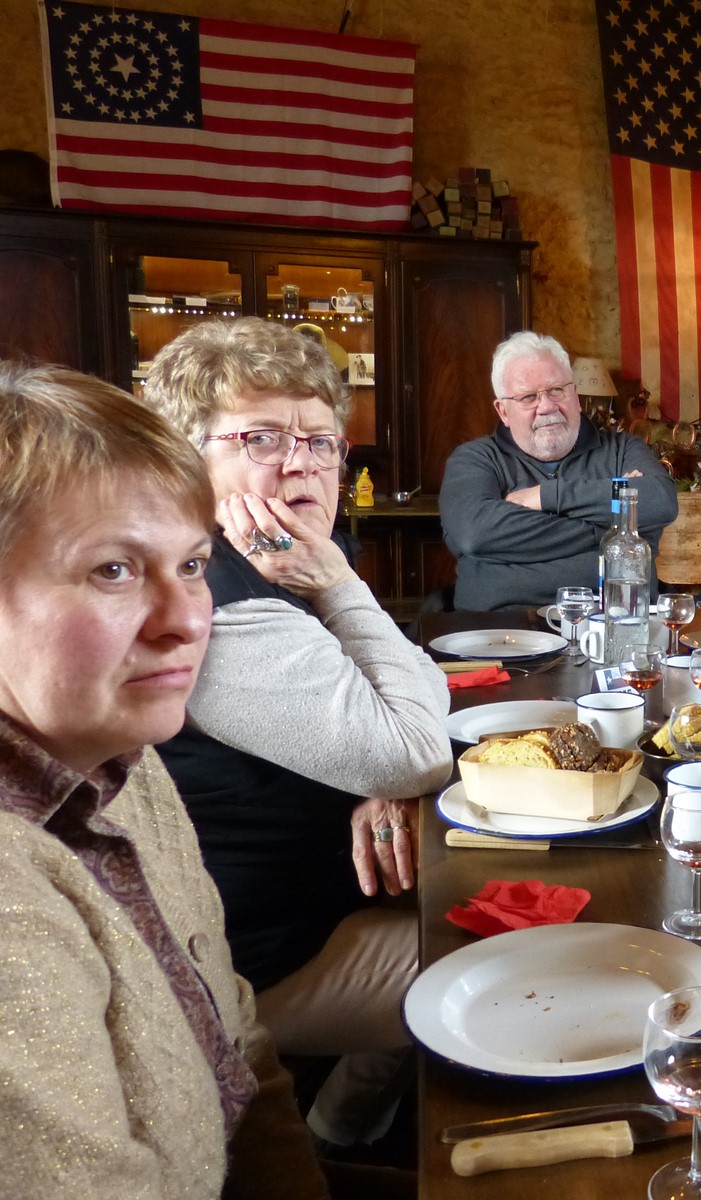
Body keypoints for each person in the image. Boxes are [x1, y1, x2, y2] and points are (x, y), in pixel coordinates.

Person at [0, 362, 327, 1198]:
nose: (186, 621)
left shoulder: (125, 761)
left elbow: (240, 1047)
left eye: (192, 565)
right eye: (113, 570)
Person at [139, 317, 453, 1149]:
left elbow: (422, 688)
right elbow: (418, 746)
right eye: (262, 437)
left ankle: (341, 1130)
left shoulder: (278, 559)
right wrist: (345, 587)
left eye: (321, 441)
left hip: (313, 899)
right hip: (245, 960)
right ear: (186, 458)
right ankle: (346, 1144)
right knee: (486, 958)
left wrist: (381, 775)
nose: (302, 462)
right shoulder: (211, 596)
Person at [440, 331, 677, 609]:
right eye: (528, 397)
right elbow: (475, 534)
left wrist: (545, 496)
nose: (547, 406)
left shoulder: (623, 449)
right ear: (503, 411)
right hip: (502, 625)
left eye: (556, 390)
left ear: (575, 395)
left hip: (613, 623)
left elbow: (660, 501)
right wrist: (614, 531)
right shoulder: (474, 460)